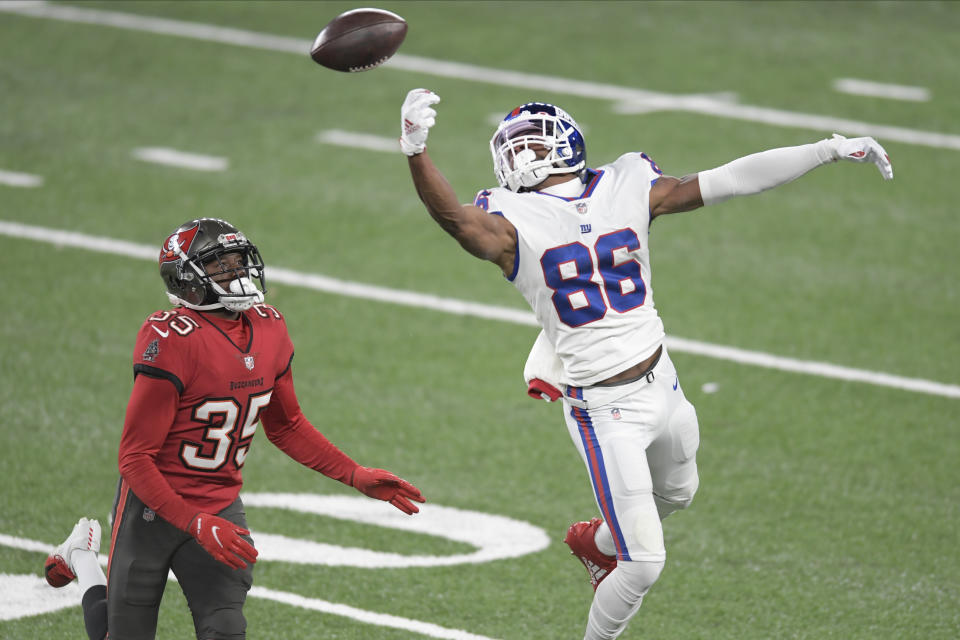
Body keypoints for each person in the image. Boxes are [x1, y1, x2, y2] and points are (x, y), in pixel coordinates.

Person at [398, 88, 892, 639]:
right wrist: (417, 151)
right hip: (603, 408)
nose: (521, 154)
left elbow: (728, 180)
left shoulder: (626, 183)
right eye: (511, 146)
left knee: (678, 495)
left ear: (567, 142)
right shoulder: (508, 216)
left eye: (531, 140)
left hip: (663, 380)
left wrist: (825, 150)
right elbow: (455, 222)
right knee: (644, 563)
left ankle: (595, 543)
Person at [43, 217, 425, 639]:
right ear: (188, 280)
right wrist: (193, 522)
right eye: (221, 265)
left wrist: (354, 474)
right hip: (152, 510)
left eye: (239, 262)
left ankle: (84, 557)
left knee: (225, 631)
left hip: (221, 507)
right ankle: (82, 557)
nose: (238, 273)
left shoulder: (269, 326)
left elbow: (287, 425)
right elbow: (134, 458)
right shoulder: (172, 339)